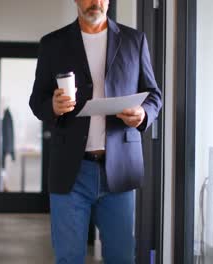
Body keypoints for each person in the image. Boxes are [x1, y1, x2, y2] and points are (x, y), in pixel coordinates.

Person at [29, 0, 162, 263]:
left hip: (120, 170)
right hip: (71, 171)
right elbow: (37, 101)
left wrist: (143, 114)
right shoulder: (53, 43)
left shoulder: (135, 40)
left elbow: (154, 95)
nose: (96, 2)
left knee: (121, 258)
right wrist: (53, 106)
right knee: (68, 258)